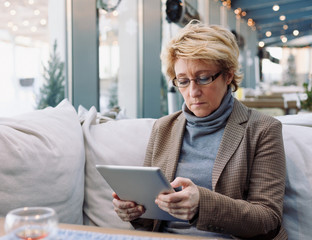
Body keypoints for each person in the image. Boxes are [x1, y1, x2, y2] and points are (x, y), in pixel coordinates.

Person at [112, 20, 287, 239]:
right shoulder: (163, 128)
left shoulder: (262, 129)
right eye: (183, 81)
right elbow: (151, 220)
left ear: (228, 75)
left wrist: (203, 204)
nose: (193, 92)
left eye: (203, 78)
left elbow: (268, 219)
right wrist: (135, 212)